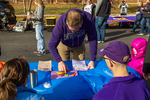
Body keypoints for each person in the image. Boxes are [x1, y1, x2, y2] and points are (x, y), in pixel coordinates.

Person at [48, 8, 97, 73]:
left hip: (79, 44)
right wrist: (59, 61)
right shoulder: (61, 22)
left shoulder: (88, 20)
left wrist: (92, 60)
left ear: (81, 23)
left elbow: (93, 39)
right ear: (66, 23)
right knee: (64, 68)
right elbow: (51, 45)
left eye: (74, 30)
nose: (72, 32)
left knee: (80, 69)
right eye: (69, 29)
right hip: (63, 44)